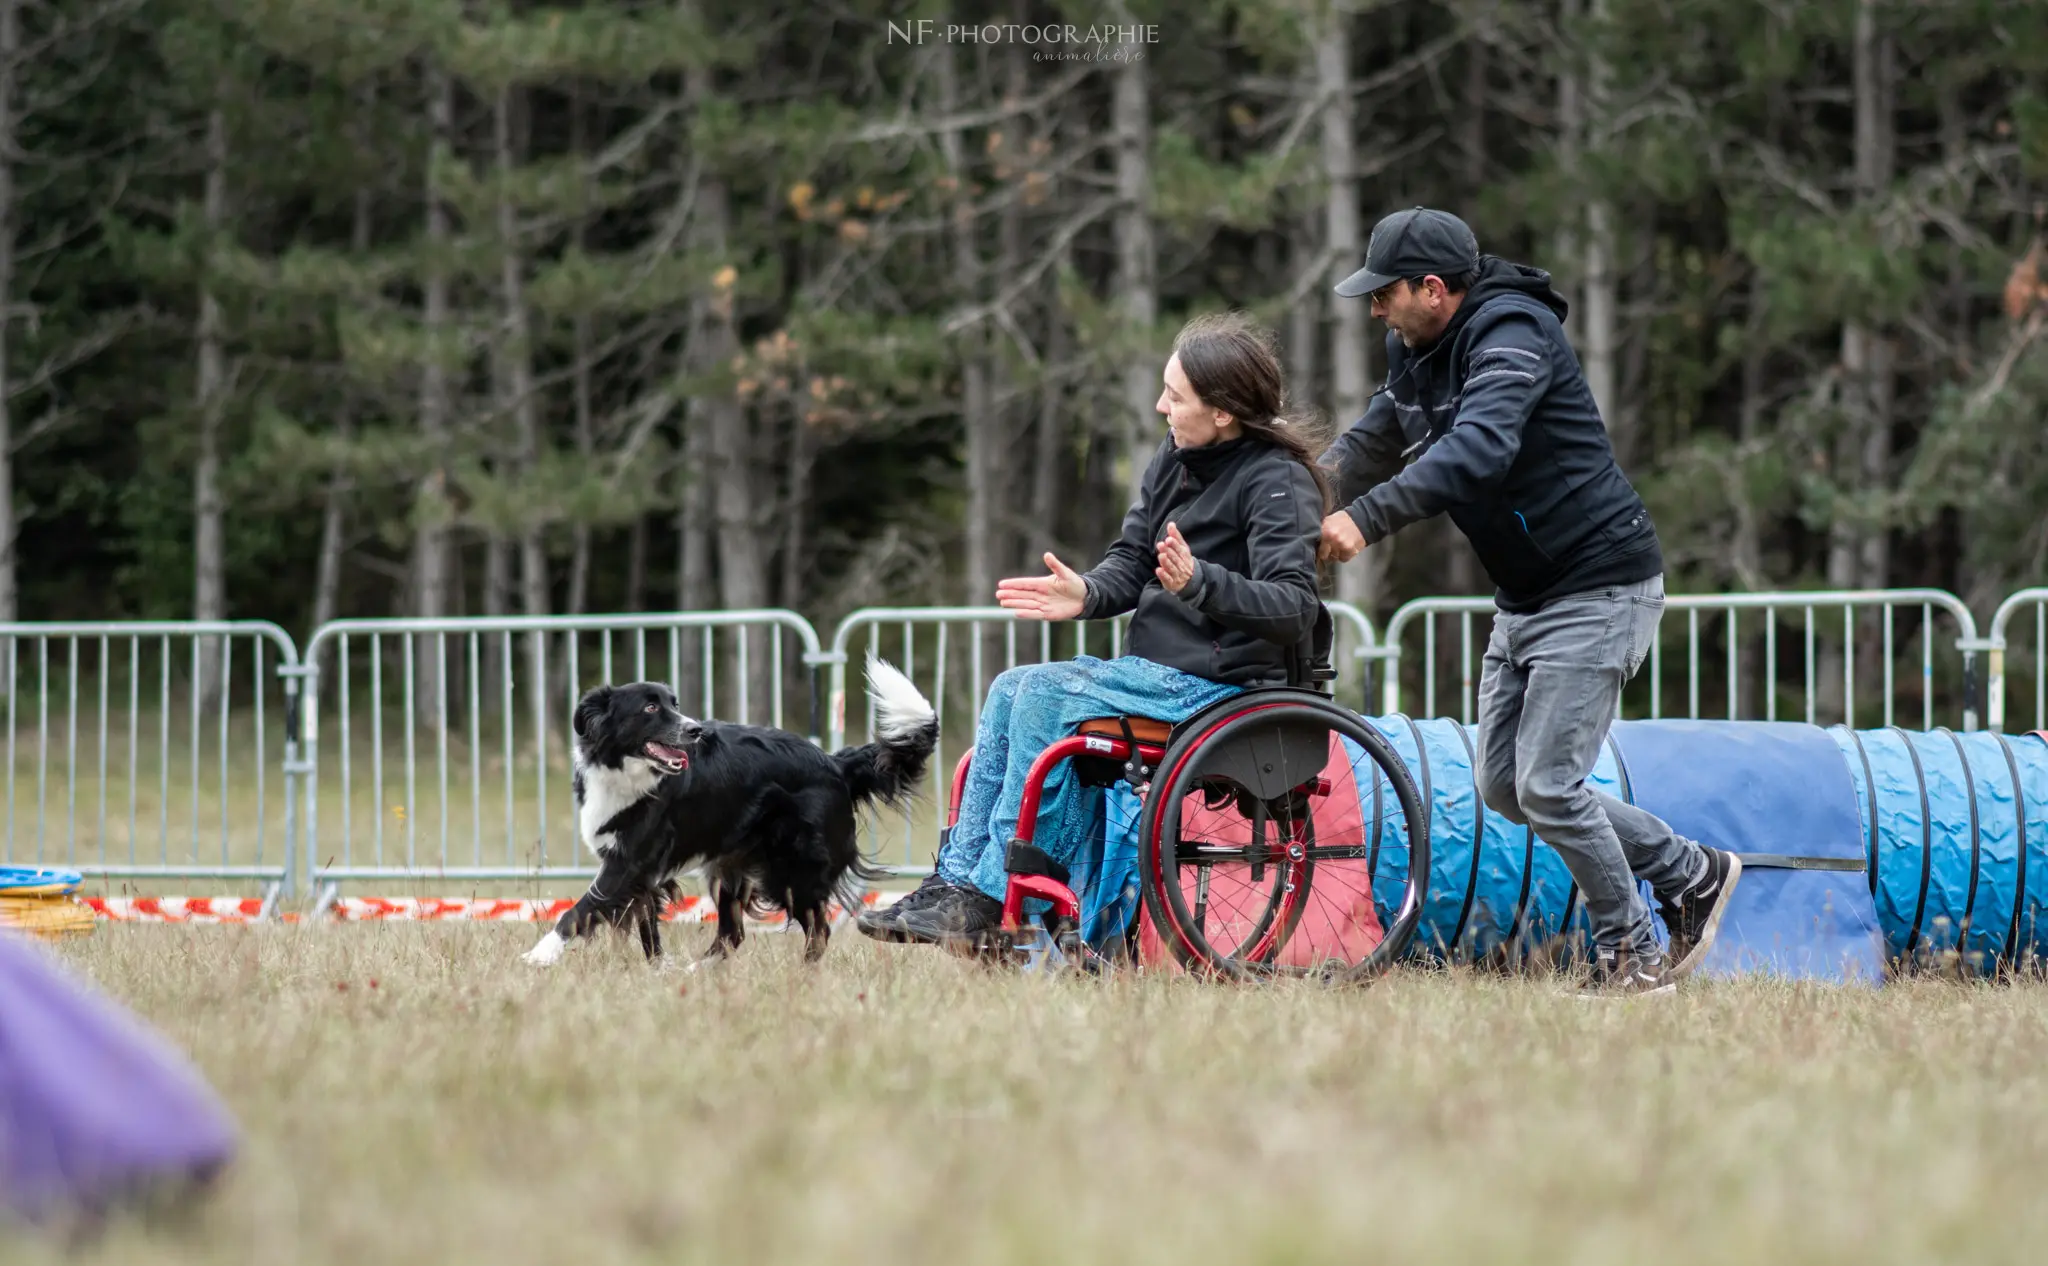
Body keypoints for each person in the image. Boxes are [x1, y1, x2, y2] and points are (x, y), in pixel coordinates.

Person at [1318, 206, 1741, 997]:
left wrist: (1365, 520)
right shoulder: (1413, 347)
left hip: (1602, 584)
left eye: (1385, 293)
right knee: (1504, 788)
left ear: (1434, 289)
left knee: (1549, 783)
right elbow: (1375, 438)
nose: (1375, 307)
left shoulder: (1513, 334)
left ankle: (1632, 954)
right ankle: (1689, 872)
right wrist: (1300, 494)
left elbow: (1477, 451)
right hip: (1526, 597)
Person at [858, 312, 1329, 949]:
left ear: (1222, 412)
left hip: (1226, 687)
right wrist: (1085, 594)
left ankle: (999, 892)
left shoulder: (1279, 480)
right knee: (1010, 688)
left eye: (1176, 396)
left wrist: (1200, 584)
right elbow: (1132, 560)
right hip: (1155, 675)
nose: (1161, 405)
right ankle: (959, 882)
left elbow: (1293, 607)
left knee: (1047, 694)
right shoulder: (1177, 456)